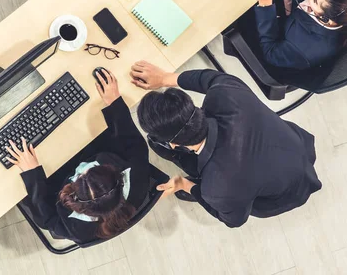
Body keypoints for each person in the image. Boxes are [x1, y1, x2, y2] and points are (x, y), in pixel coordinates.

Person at [130, 61, 322, 228]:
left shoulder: (217, 187)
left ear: (173, 144)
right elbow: (207, 77)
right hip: (297, 146)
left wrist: (185, 184)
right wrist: (165, 78)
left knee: (161, 150)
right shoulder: (226, 92)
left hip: (281, 195)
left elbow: (233, 220)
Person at [6, 70, 150, 243]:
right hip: (92, 149)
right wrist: (115, 103)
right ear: (116, 175)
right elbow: (133, 142)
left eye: (80, 178)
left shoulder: (76, 228)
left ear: (79, 204)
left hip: (57, 176)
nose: (82, 170)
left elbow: (46, 218)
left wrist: (32, 172)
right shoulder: (138, 179)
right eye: (90, 171)